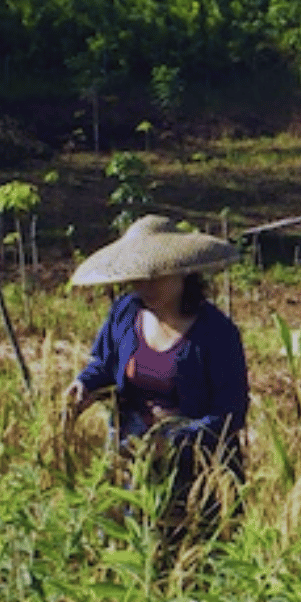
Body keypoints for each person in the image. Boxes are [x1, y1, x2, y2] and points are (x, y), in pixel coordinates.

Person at [64, 215, 249, 570]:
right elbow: (102, 363)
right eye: (139, 277)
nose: (145, 286)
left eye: (156, 275)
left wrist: (176, 440)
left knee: (190, 560)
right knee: (131, 551)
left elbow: (231, 411)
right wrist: (84, 386)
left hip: (197, 468)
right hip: (132, 456)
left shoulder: (216, 333)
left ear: (183, 272)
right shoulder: (124, 312)